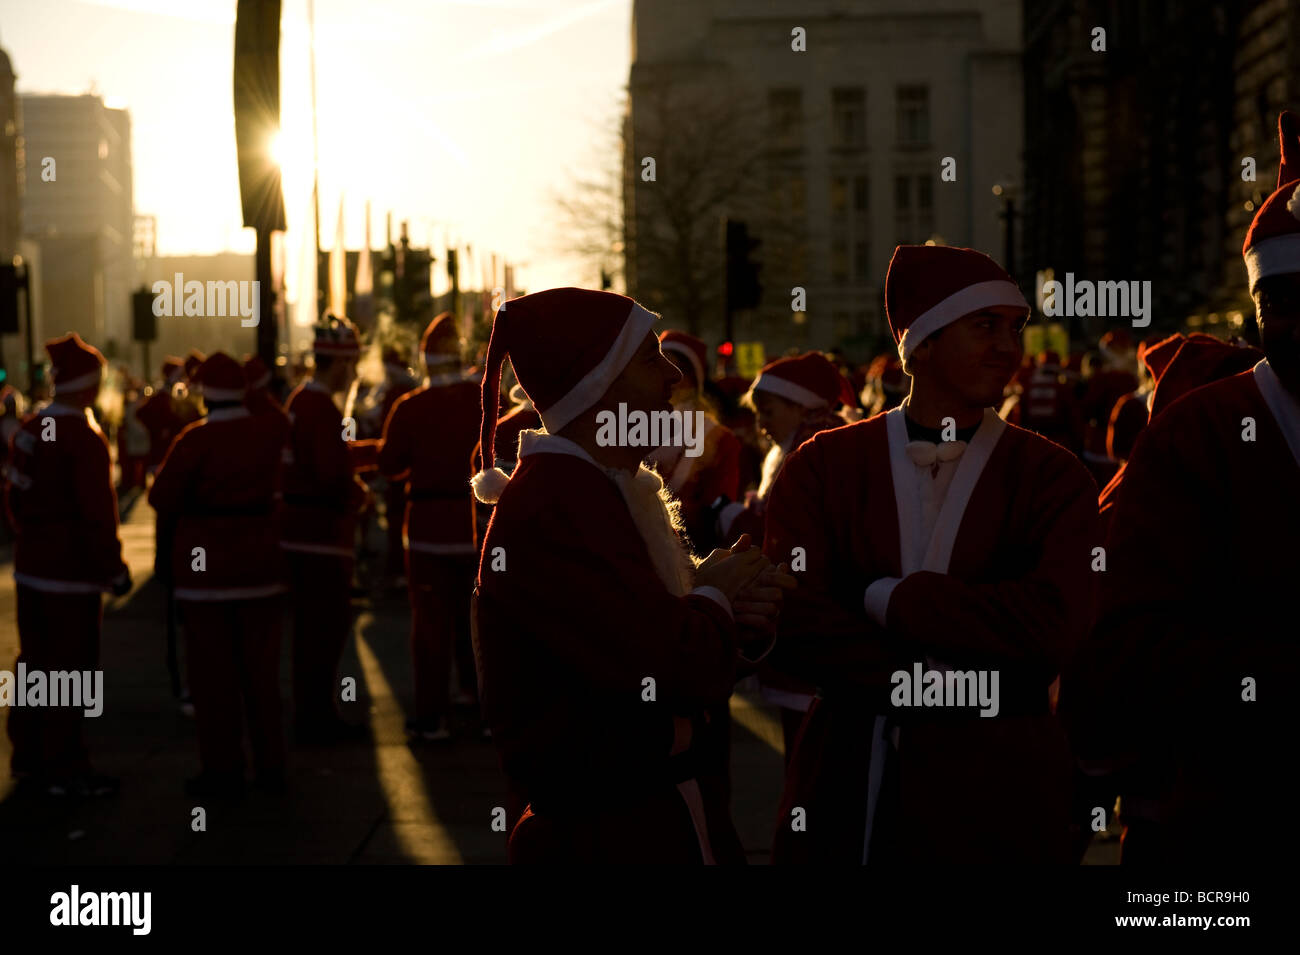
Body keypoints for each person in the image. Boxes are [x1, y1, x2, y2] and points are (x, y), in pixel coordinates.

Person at [763, 246, 1101, 864]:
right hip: (849, 775)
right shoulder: (824, 466)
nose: (1007, 346)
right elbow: (795, 619)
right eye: (984, 326)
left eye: (1013, 328)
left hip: (1002, 787)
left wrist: (887, 598)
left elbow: (1055, 624)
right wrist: (946, 679)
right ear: (920, 346)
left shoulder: (1052, 475)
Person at [471, 287, 793, 863]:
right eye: (649, 358)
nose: (672, 375)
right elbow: (669, 665)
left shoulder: (597, 487)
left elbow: (638, 635)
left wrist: (731, 603)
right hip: (610, 835)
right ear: (599, 385)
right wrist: (719, 593)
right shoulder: (558, 503)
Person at [1062, 112, 1300, 865]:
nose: (1299, 323)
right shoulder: (1194, 434)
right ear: (1256, 312)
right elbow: (1129, 645)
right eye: (1281, 304)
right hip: (1225, 821)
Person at [148, 352, 289, 798]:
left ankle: (222, 770)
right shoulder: (268, 431)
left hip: (204, 572)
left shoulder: (193, 439)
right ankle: (271, 768)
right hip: (261, 564)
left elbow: (161, 498)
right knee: (262, 677)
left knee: (213, 679)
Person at [4, 333, 132, 797]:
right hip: (72, 574)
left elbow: (14, 496)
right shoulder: (85, 438)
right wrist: (113, 569)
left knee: (35, 663)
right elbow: (97, 514)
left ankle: (30, 756)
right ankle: (66, 766)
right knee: (72, 670)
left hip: (32, 564)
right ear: (91, 386)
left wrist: (33, 538)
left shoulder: (31, 429)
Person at [718, 352, 853, 757]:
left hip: (813, 618)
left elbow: (784, 532)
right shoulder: (812, 442)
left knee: (810, 752)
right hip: (816, 618)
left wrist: (726, 517)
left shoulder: (812, 449)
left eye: (769, 411)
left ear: (801, 405)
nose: (761, 424)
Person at [378, 313, 482, 741]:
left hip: (424, 530)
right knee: (476, 623)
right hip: (476, 526)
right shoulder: (481, 400)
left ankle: (431, 717)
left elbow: (390, 465)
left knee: (429, 627)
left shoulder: (410, 406)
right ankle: (482, 708)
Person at [281, 316, 378, 742]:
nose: (356, 374)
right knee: (323, 633)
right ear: (338, 366)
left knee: (312, 634)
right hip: (320, 538)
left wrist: (374, 453)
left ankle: (315, 713)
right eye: (352, 365)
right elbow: (330, 473)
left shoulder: (303, 401)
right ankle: (316, 718)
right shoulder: (320, 407)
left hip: (304, 534)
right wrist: (359, 494)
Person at [647, 330, 741, 556]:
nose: (667, 377)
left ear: (693, 380)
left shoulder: (719, 438)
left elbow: (720, 507)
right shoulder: (630, 426)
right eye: (656, 366)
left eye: (677, 369)